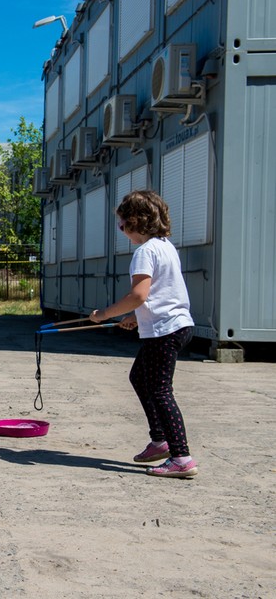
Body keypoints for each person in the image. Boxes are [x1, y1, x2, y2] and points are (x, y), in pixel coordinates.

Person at [89, 190, 198, 478]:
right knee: (140, 377)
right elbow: (160, 294)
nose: (122, 230)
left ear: (136, 221)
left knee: (160, 390)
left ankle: (181, 457)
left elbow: (138, 294)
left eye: (122, 225)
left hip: (165, 330)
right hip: (177, 324)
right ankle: (160, 441)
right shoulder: (165, 246)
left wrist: (105, 314)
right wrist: (135, 318)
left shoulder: (144, 252)